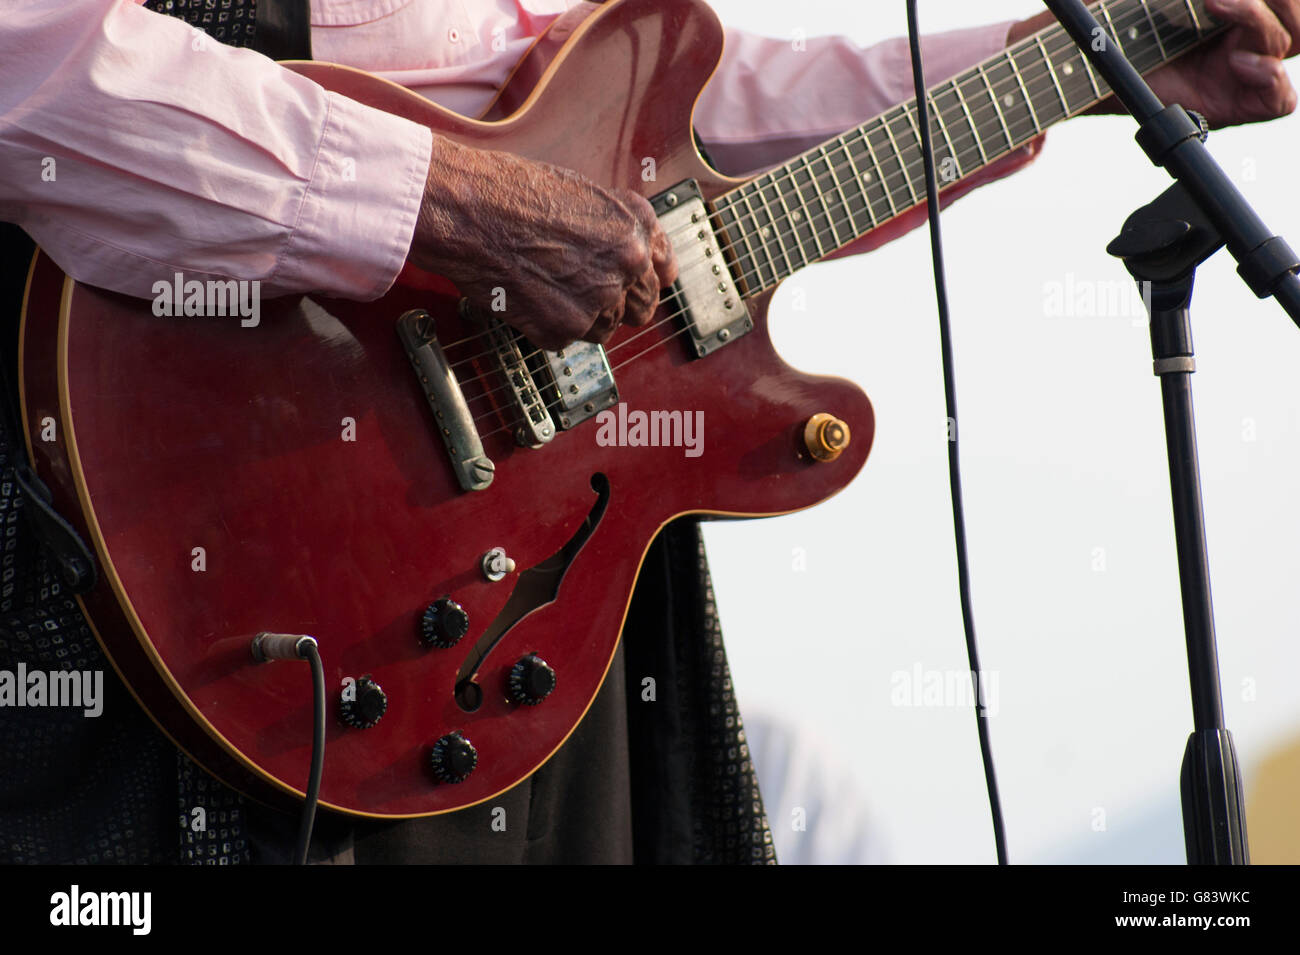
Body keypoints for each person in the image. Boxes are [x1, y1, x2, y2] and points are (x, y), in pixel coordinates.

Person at [1, 0, 1296, 865]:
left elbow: (657, 126)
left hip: (528, 580)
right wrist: (450, 205)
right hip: (172, 485)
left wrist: (1070, 63)